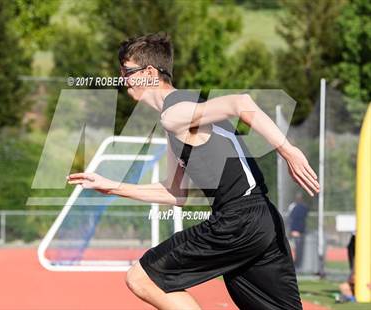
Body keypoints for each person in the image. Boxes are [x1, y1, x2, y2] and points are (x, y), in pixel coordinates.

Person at [67, 33, 320, 310]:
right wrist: (111, 186)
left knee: (142, 277)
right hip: (264, 221)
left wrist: (287, 149)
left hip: (237, 222)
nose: (122, 79)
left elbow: (242, 103)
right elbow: (175, 193)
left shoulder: (174, 114)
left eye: (126, 71)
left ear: (149, 73)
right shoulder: (182, 113)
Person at [288, 192, 309, 270]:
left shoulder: (300, 207)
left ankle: (297, 265)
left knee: (297, 249)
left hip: (298, 230)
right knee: (295, 248)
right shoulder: (294, 207)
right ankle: (296, 264)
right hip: (296, 230)